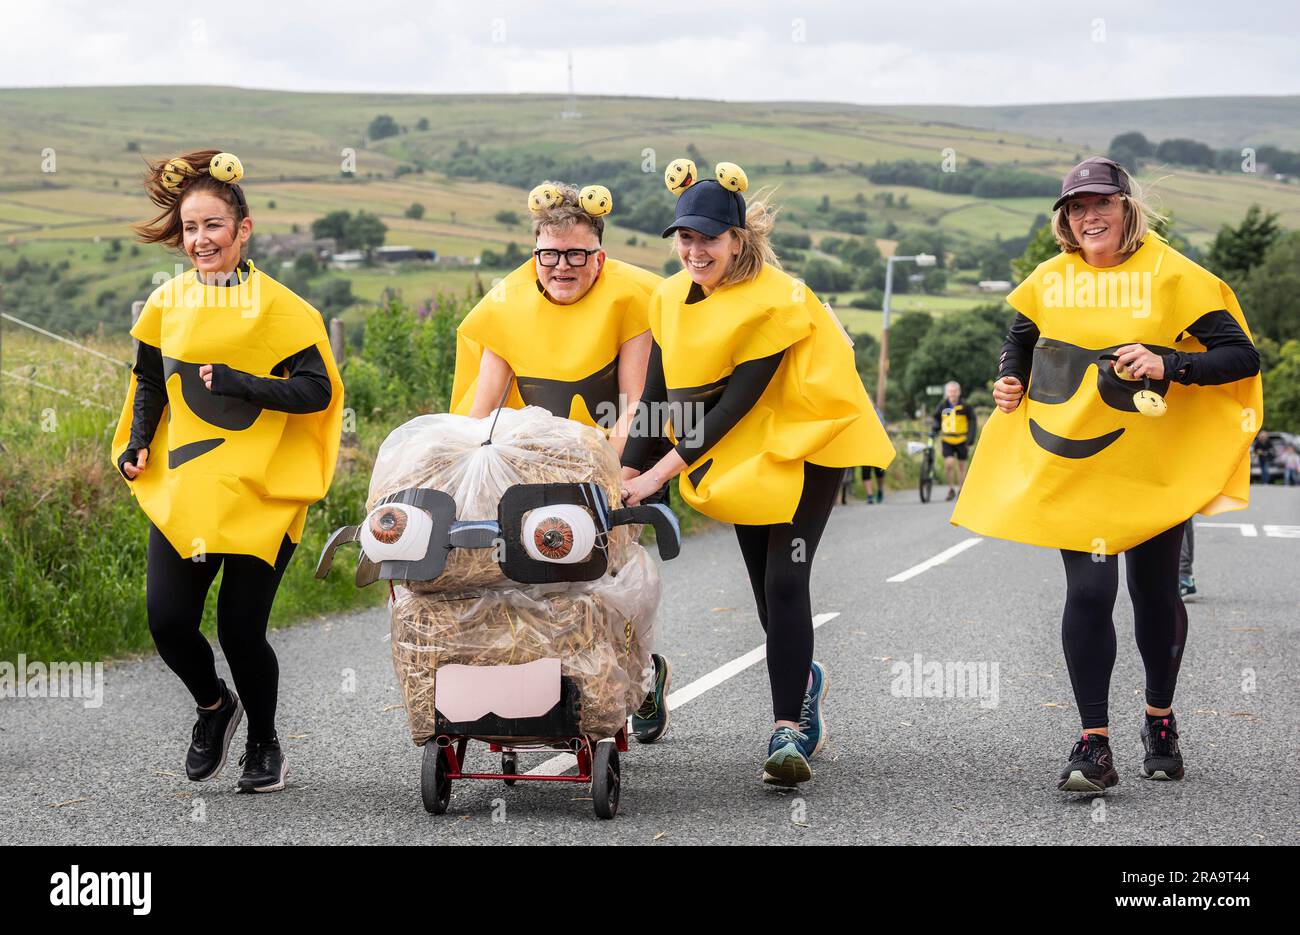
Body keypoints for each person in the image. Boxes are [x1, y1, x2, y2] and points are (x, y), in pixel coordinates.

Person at [952, 156, 1262, 793]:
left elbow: (1240, 356)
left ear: (1128, 209)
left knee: (1154, 597)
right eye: (1076, 207)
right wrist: (1011, 375)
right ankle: (1094, 742)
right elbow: (1023, 334)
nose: (1089, 216)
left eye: (1102, 204)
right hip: (1078, 464)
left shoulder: (1174, 274)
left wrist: (1168, 362)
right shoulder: (1051, 278)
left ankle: (1160, 717)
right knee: (1090, 593)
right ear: (1065, 219)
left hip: (1153, 467)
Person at [620, 159, 894, 786]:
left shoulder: (776, 299)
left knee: (786, 580)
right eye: (685, 238)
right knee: (767, 596)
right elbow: (657, 403)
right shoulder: (667, 298)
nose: (694, 250)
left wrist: (652, 478)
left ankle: (785, 734)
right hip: (744, 455)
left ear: (737, 239)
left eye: (708, 238)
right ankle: (804, 681)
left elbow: (727, 410)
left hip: (806, 444)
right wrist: (618, 475)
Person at [113, 150, 344, 792]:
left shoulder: (282, 309)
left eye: (213, 225)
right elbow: (150, 379)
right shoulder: (167, 301)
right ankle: (215, 707)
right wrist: (137, 443)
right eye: (190, 228)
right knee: (167, 622)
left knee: (241, 629)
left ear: (242, 229)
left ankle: (265, 745)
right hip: (189, 486)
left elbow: (317, 390)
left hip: (262, 493)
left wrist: (244, 383)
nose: (200, 240)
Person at [449, 180, 673, 744]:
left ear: (599, 256)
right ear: (536, 255)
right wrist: (459, 472)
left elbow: (634, 407)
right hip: (539, 465)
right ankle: (547, 685)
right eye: (551, 255)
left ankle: (641, 675)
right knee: (534, 582)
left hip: (618, 462)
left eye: (577, 255)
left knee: (608, 582)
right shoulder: (507, 306)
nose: (563, 267)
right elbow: (484, 411)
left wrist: (609, 478)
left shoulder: (630, 301)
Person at [932, 381, 976, 500]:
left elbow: (972, 423)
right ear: (947, 393)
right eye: (950, 391)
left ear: (959, 392)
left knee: (962, 466)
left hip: (962, 439)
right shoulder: (942, 406)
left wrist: (970, 440)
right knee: (949, 463)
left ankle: (961, 490)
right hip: (947, 439)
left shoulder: (966, 407)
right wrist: (935, 429)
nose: (953, 393)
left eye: (955, 391)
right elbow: (936, 419)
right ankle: (950, 488)